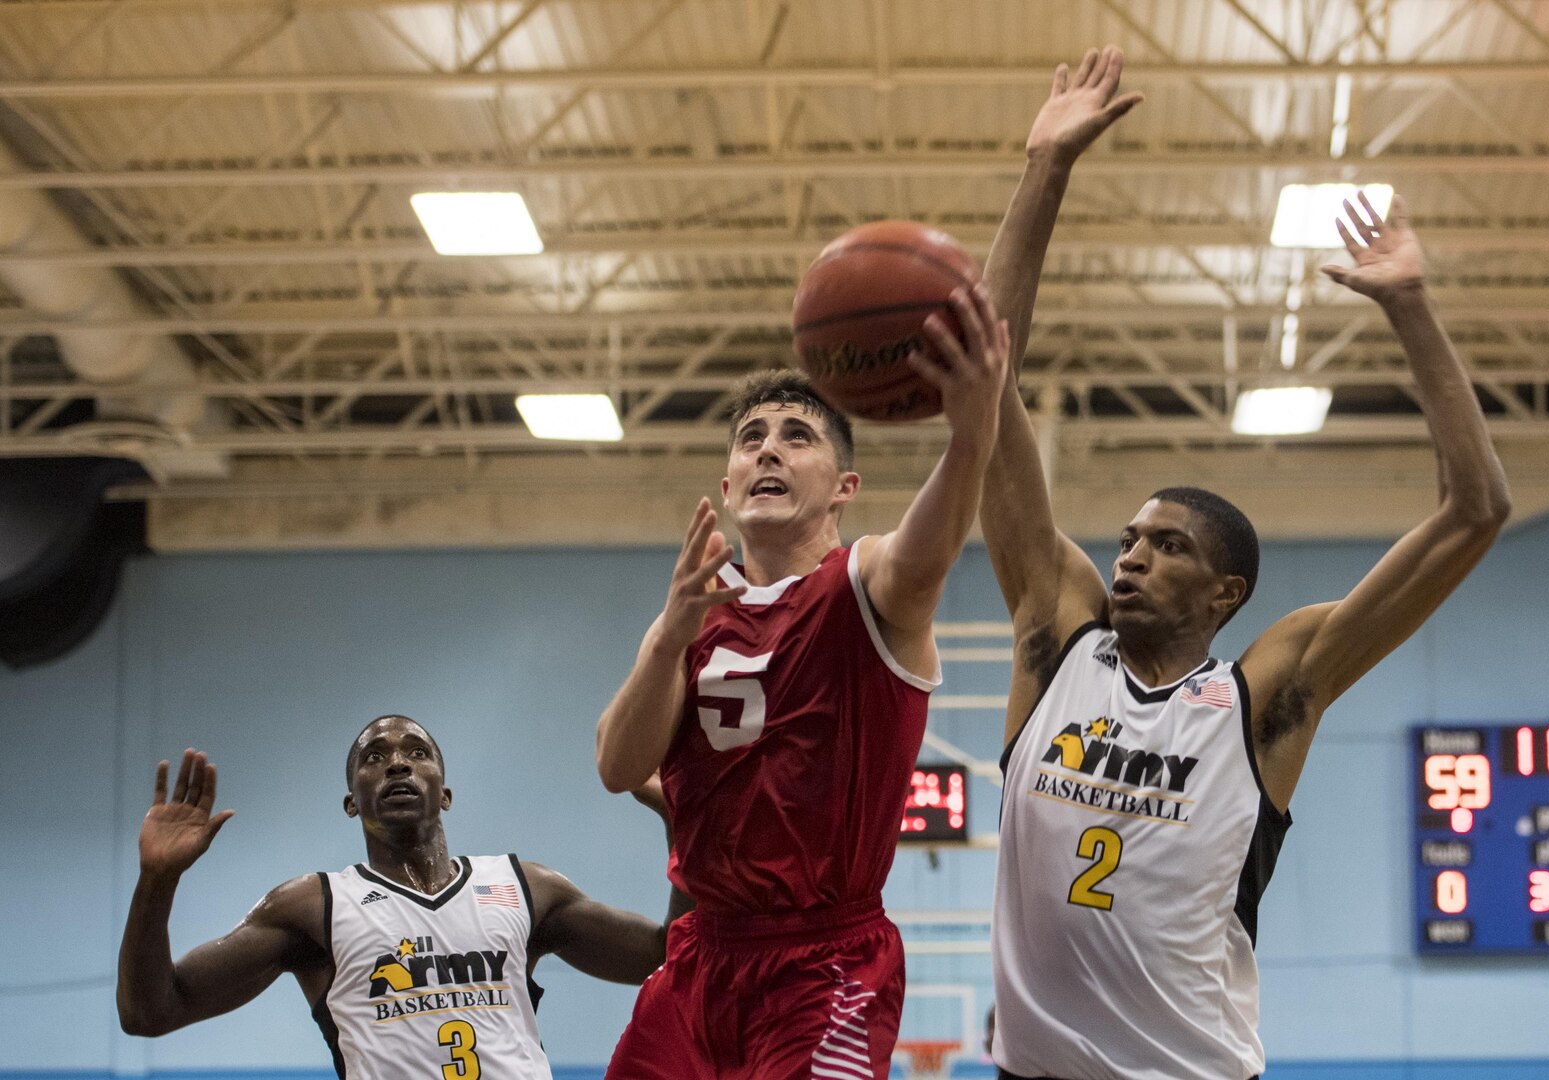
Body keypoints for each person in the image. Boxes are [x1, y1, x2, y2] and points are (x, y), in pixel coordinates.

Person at [976, 48, 1511, 1080]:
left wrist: (1407, 309)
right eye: (1127, 538)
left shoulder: (1264, 693)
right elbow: (983, 390)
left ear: (1224, 594)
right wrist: (1042, 170)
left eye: (1163, 545)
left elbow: (1473, 512)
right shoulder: (1056, 645)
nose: (1127, 556)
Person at [594, 288, 1010, 1076]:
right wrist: (667, 634)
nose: (768, 450)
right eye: (750, 439)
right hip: (702, 956)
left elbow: (930, 547)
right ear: (726, 488)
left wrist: (971, 429)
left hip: (826, 962)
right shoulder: (694, 615)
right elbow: (617, 766)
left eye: (796, 436)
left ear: (844, 487)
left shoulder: (867, 581)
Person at [118, 715, 685, 1080]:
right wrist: (157, 879)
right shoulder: (313, 906)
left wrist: (681, 820)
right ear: (351, 803)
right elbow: (149, 1011)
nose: (396, 762)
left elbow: (667, 956)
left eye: (417, 752)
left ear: (446, 794)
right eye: (374, 757)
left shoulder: (523, 887)